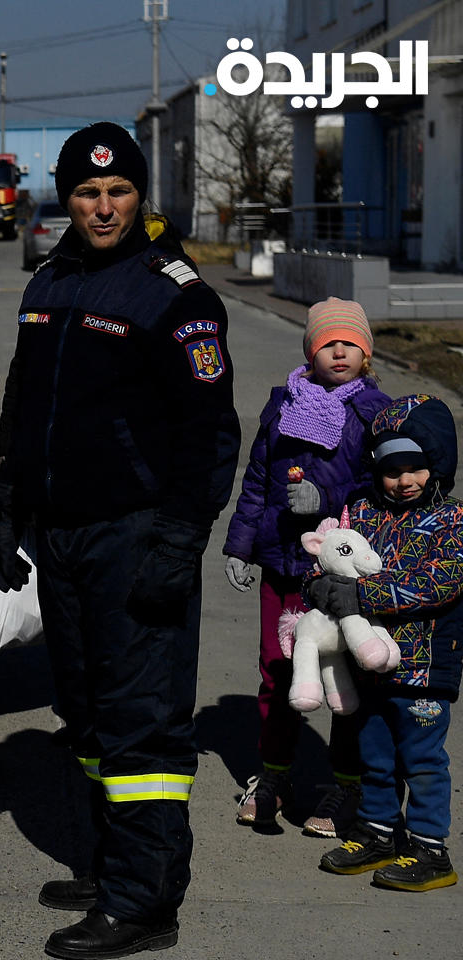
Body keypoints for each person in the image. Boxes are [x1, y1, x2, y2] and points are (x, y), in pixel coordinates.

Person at [0, 122, 240, 959]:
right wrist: (11, 507)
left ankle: (144, 904)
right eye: (88, 193)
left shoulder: (176, 294)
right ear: (67, 197)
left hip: (134, 536)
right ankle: (110, 866)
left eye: (119, 192)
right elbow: (25, 405)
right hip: (59, 535)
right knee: (88, 715)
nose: (102, 207)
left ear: (139, 198)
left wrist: (178, 538)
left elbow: (208, 434)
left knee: (142, 726)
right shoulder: (51, 279)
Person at [222, 297, 390, 836]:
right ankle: (273, 776)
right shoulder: (281, 405)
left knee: (345, 680)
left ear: (365, 354)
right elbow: (256, 483)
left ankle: (348, 785)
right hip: (284, 564)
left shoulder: (374, 412)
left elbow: (382, 490)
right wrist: (240, 545)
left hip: (340, 574)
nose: (338, 351)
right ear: (310, 351)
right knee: (278, 670)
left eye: (350, 343)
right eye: (327, 343)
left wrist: (326, 495)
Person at [311, 395, 463, 892]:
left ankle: (429, 849)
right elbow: (334, 559)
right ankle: (378, 832)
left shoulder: (452, 520)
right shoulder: (363, 511)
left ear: (436, 463)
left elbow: (440, 581)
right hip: (368, 664)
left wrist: (362, 591)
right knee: (373, 753)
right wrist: (320, 587)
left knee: (421, 760)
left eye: (415, 467)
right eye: (391, 469)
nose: (403, 480)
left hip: (424, 666)